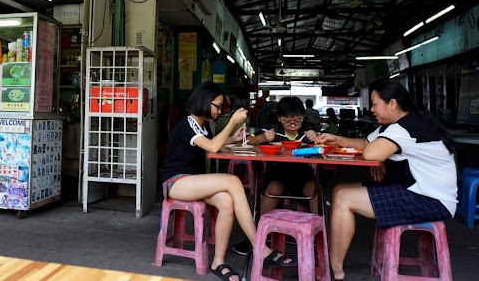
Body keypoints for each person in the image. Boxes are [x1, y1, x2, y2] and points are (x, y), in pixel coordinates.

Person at [315, 81, 457, 281]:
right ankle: (332, 260)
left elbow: (372, 152)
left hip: (431, 200)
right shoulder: (395, 126)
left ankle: (334, 270)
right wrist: (337, 139)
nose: (371, 109)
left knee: (344, 199)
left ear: (392, 103)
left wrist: (381, 158)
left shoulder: (407, 126)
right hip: (417, 190)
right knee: (340, 189)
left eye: (374, 104)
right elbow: (367, 144)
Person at [161, 81, 296, 281]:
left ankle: (218, 261)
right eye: (217, 106)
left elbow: (215, 144)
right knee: (233, 181)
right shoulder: (187, 124)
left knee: (227, 201)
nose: (219, 111)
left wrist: (233, 139)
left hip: (194, 181)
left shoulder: (203, 126)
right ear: (204, 102)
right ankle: (261, 247)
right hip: (176, 182)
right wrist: (233, 121)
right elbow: (213, 147)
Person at [233, 96, 320, 255]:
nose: (293, 126)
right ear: (279, 118)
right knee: (273, 189)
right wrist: (262, 138)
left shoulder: (308, 131)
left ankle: (318, 239)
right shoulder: (271, 130)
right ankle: (255, 238)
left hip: (301, 175)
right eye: (287, 122)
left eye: (297, 121)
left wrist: (317, 138)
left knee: (314, 189)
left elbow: (324, 146)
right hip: (276, 173)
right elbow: (247, 142)